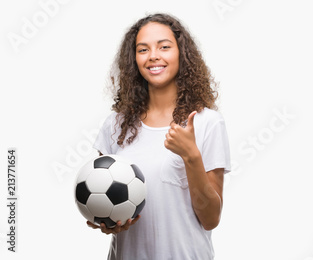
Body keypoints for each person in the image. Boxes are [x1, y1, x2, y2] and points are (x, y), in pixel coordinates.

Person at [87, 13, 231, 260]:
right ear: (134, 59)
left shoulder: (207, 122)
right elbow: (104, 195)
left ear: (181, 55)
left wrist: (191, 156)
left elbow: (210, 219)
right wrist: (108, 220)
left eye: (164, 47)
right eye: (143, 49)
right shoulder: (116, 124)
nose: (153, 55)